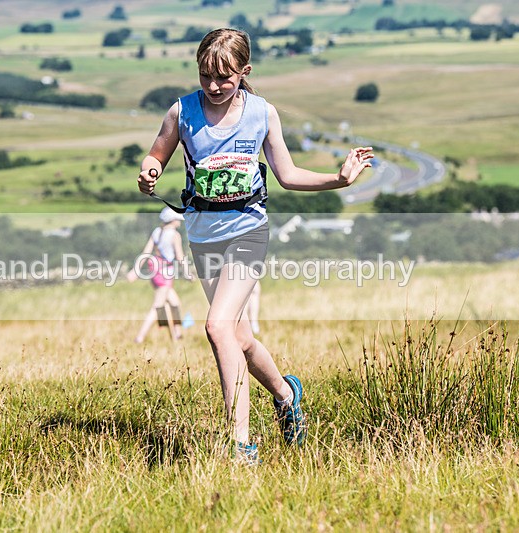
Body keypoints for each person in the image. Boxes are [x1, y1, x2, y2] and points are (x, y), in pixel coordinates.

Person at [136, 28, 373, 462]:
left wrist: (337, 180)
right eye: (206, 75)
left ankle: (240, 445)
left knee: (216, 327)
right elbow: (157, 153)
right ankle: (286, 394)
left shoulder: (262, 113)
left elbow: (288, 175)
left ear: (244, 73)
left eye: (223, 77)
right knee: (239, 337)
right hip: (203, 235)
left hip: (248, 231)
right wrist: (150, 170)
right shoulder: (181, 112)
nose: (212, 85)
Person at [126, 206, 191, 344]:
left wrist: (135, 271)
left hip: (154, 270)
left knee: (174, 303)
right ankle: (140, 337)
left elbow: (146, 253)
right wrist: (187, 273)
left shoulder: (157, 231)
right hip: (165, 273)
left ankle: (176, 335)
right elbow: (180, 257)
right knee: (158, 307)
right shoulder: (175, 235)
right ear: (173, 220)